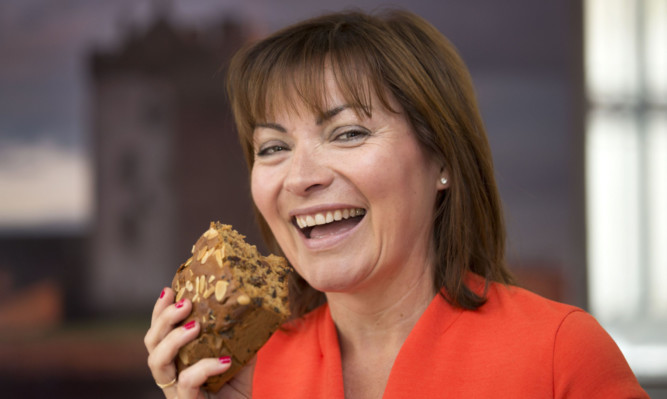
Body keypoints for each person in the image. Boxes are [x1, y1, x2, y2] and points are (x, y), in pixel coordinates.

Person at [144, 9, 648, 399]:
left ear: (443, 159)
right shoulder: (256, 373)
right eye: (273, 147)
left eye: (348, 133)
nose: (301, 178)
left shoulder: (559, 353)